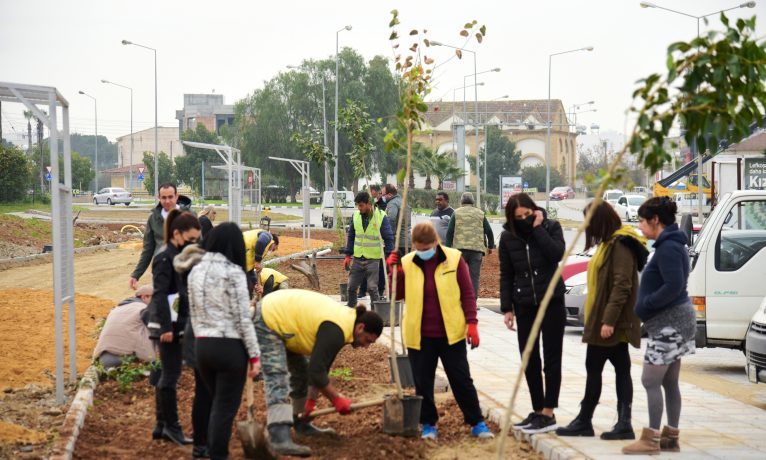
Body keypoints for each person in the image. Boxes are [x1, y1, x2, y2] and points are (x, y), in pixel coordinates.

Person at [389, 222, 493, 440]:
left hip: (451, 334)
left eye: (427, 248)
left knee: (461, 380)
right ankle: (428, 424)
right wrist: (394, 272)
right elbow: (397, 295)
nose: (423, 252)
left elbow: (467, 293)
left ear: (436, 242)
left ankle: (477, 422)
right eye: (419, 248)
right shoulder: (407, 262)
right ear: (414, 245)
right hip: (419, 335)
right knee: (423, 382)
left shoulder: (454, 259)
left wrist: (472, 323)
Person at [556, 202, 648, 439]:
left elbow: (622, 285)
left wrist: (608, 321)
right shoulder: (610, 243)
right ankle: (613, 422)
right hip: (605, 320)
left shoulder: (620, 246)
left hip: (611, 323)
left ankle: (588, 421)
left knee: (599, 368)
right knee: (618, 368)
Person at [254, 289, 384, 456]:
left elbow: (320, 369)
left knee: (301, 372)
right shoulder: (337, 329)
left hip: (288, 324)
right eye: (367, 340)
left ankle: (300, 421)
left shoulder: (344, 326)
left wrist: (310, 401)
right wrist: (337, 399)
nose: (366, 346)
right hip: (270, 318)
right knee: (277, 375)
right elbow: (316, 372)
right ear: (360, 327)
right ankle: (278, 436)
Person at [623, 197, 695, 455]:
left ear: (655, 220)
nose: (640, 226)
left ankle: (651, 440)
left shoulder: (668, 248)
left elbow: (674, 285)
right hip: (675, 321)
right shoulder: (672, 244)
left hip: (669, 323)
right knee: (669, 382)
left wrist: (647, 305)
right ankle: (670, 437)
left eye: (642, 221)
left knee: (649, 380)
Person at [187, 223, 262, 460]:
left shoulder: (195, 271)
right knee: (224, 409)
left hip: (202, 347)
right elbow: (242, 318)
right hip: (229, 349)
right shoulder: (234, 273)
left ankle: (205, 448)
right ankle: (218, 455)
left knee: (213, 402)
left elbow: (193, 310)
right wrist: (255, 355)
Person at [499, 192, 566, 434]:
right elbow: (506, 274)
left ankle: (549, 412)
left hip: (551, 302)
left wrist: (538, 229)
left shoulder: (551, 227)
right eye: (519, 217)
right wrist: (507, 307)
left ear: (534, 210)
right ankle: (537, 409)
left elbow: (557, 254)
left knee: (551, 359)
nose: (524, 219)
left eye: (527, 214)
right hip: (524, 303)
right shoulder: (507, 237)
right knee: (529, 358)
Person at [145, 209, 200, 445]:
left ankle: (160, 425)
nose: (193, 244)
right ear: (177, 234)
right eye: (190, 240)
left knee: (166, 372)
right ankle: (172, 427)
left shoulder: (177, 255)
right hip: (166, 325)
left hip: (175, 322)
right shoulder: (165, 257)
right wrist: (167, 328)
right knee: (171, 375)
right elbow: (159, 294)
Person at [173, 242, 212, 459]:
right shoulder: (200, 279)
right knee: (209, 394)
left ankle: (200, 443)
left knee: (203, 393)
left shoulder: (183, 276)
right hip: (205, 340)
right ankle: (204, 441)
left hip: (193, 340)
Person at [129, 183, 192, 290]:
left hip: (184, 272)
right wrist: (136, 274)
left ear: (176, 196)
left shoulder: (190, 216)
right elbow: (148, 250)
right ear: (158, 198)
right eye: (164, 197)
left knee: (182, 305)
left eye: (170, 197)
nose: (167, 201)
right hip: (161, 272)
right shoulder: (153, 219)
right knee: (162, 304)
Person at [343, 191, 394, 308]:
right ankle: (351, 307)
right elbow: (351, 236)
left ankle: (376, 310)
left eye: (361, 205)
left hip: (373, 259)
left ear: (369, 204)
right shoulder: (355, 216)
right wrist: (347, 255)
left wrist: (389, 256)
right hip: (358, 258)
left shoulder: (380, 216)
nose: (358, 208)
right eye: (357, 205)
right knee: (351, 286)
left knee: (372, 288)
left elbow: (389, 238)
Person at [446, 192, 495, 300]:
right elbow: (489, 231)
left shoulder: (456, 213)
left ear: (461, 201)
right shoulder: (480, 213)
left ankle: (459, 300)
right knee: (474, 277)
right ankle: (473, 302)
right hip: (476, 250)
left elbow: (450, 232)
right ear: (473, 201)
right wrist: (490, 246)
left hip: (459, 251)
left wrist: (447, 249)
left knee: (459, 275)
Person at [93, 284, 155, 369]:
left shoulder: (116, 309)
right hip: (125, 359)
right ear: (144, 297)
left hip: (102, 358)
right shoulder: (143, 308)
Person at [358, 184, 387, 299]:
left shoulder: (381, 205)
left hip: (379, 246)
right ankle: (362, 290)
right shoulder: (365, 207)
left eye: (369, 192)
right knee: (364, 270)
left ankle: (379, 291)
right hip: (366, 248)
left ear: (375, 192)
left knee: (379, 271)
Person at [383, 184, 411, 255]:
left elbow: (391, 219)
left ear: (389, 194)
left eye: (383, 195)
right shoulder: (403, 201)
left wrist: (388, 237)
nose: (382, 197)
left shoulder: (392, 203)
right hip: (407, 241)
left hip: (398, 242)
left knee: (393, 265)